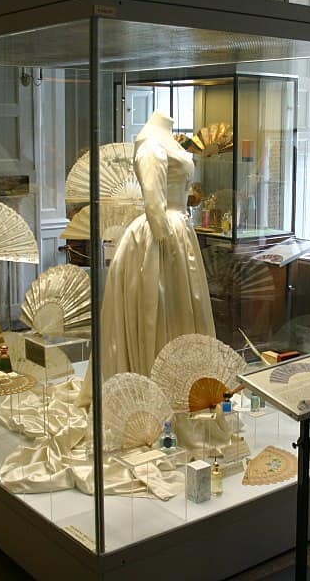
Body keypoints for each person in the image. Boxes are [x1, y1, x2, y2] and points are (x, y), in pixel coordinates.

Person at [80, 112, 215, 405]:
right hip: (160, 236)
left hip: (178, 232)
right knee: (160, 307)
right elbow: (153, 199)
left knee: (181, 309)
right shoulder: (150, 141)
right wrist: (165, 239)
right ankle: (154, 389)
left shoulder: (167, 138)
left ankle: (187, 384)